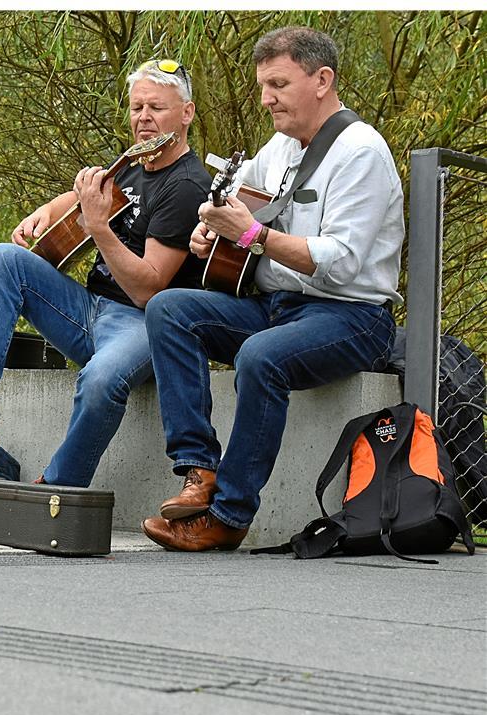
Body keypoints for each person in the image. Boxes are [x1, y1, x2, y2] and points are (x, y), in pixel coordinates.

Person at [140, 27, 403, 552]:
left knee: (261, 356)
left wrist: (254, 236)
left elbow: (342, 264)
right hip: (278, 305)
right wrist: (209, 230)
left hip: (351, 316)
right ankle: (199, 472)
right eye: (263, 85)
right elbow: (240, 201)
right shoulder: (280, 146)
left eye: (279, 84)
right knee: (169, 310)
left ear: (322, 80)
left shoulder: (361, 153)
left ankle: (229, 517)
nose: (266, 99)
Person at [0, 60, 210, 489]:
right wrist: (41, 215)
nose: (143, 118)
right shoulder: (134, 164)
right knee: (5, 259)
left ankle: (60, 491)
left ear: (187, 113)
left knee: (100, 380)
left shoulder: (187, 185)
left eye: (156, 107)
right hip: (89, 311)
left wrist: (100, 228)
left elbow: (149, 288)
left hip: (144, 326)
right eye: (136, 107)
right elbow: (79, 195)